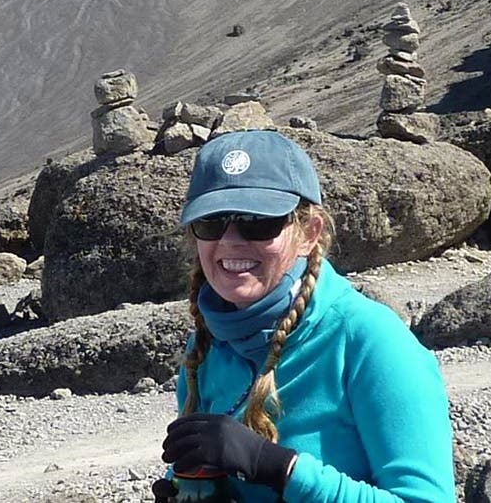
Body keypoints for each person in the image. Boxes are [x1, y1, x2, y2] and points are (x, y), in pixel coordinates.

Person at [159, 129, 454, 502]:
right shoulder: (204, 346)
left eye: (257, 221)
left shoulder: (369, 339)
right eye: (211, 222)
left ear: (308, 233)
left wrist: (280, 468)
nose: (231, 240)